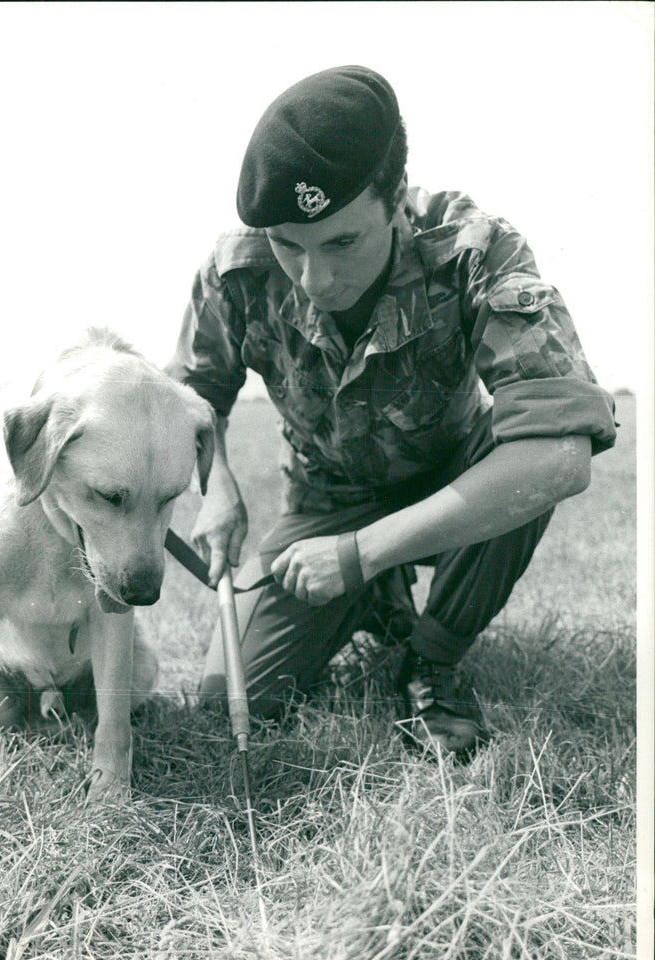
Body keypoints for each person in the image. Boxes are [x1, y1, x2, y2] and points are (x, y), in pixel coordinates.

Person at [166, 65, 617, 755]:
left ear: (397, 200)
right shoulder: (236, 271)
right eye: (291, 247)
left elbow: (560, 456)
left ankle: (430, 656)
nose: (314, 281)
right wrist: (217, 479)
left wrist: (359, 555)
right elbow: (194, 397)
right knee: (236, 696)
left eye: (341, 242)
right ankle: (381, 598)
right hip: (327, 498)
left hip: (454, 479)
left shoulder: (473, 248)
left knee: (526, 459)